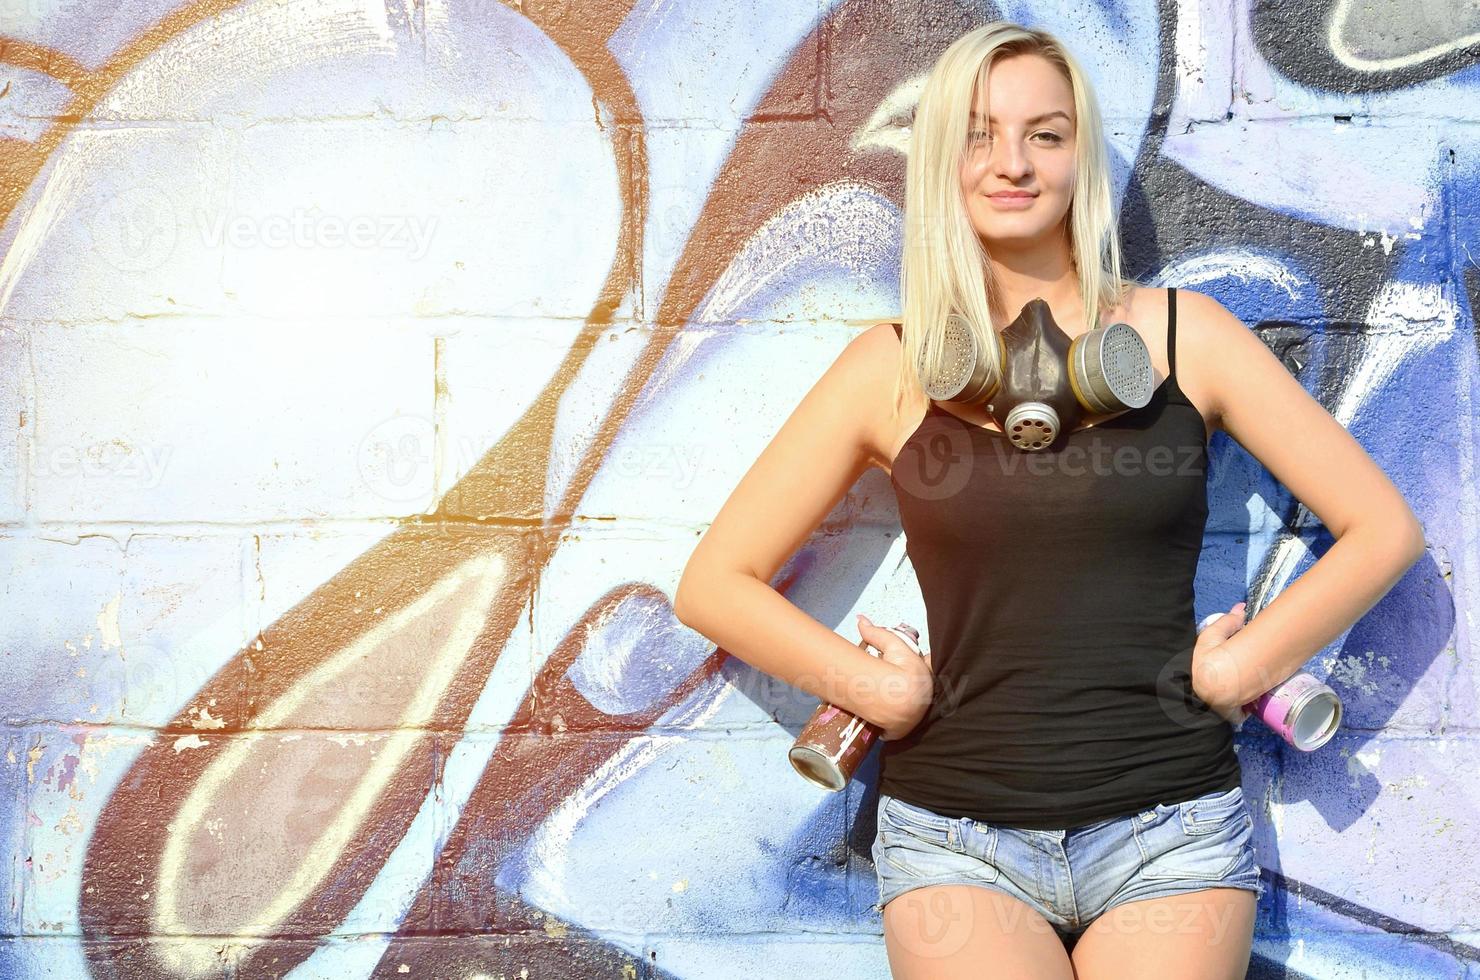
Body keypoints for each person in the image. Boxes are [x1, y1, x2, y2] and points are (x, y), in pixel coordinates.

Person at [673, 21, 1425, 980]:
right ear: (943, 158)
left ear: (1081, 158)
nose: (1012, 162)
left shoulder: (1185, 336)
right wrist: (877, 689)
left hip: (1172, 834)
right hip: (955, 840)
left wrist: (1247, 670)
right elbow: (714, 584)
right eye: (979, 134)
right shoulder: (892, 367)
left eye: (1047, 133)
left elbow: (1381, 529)